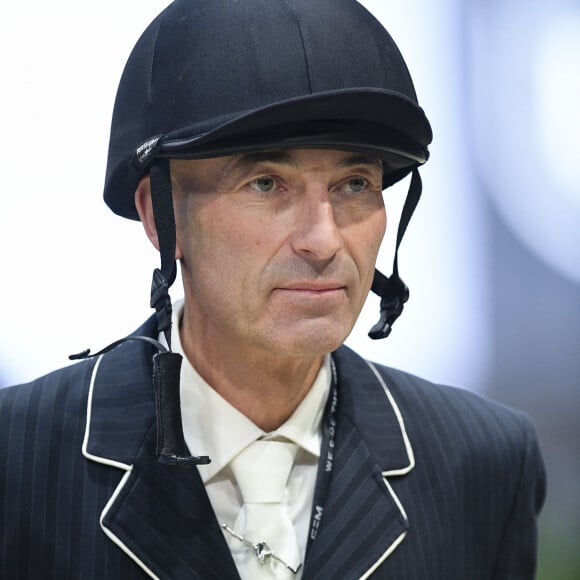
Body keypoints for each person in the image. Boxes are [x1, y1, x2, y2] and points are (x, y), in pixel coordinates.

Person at [0, 1, 545, 579]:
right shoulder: (18, 456)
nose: (323, 239)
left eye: (355, 184)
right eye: (266, 184)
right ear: (162, 219)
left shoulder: (484, 461)